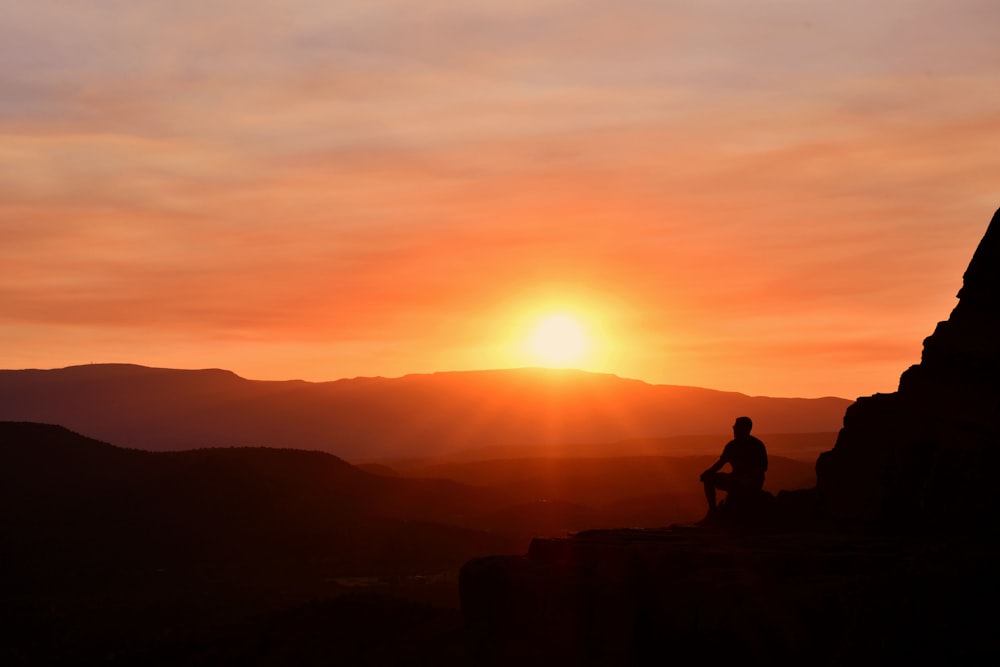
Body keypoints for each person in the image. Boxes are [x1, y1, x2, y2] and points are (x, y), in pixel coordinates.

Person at [700, 416, 768, 518]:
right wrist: (708, 472)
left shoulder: (756, 445)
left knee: (737, 484)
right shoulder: (732, 446)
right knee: (709, 478)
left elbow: (762, 468)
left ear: (745, 428)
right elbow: (721, 462)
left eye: (736, 427)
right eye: (734, 427)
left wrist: (744, 478)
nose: (734, 429)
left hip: (752, 481)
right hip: (735, 478)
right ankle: (712, 510)